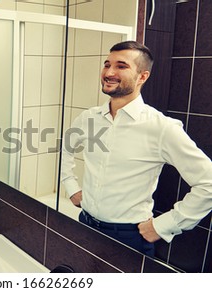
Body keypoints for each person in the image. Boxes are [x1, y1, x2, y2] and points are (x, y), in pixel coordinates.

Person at [61, 40, 212, 257]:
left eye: (121, 66)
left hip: (128, 237)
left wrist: (164, 225)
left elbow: (208, 183)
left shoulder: (161, 128)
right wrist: (71, 185)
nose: (109, 72)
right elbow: (66, 147)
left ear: (143, 76)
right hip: (85, 224)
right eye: (106, 64)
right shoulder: (89, 118)